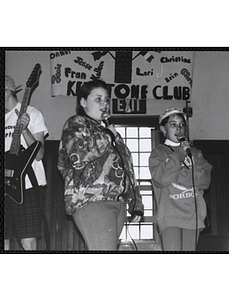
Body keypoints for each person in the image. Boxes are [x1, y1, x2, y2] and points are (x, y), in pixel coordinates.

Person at [57, 79, 144, 251]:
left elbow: (127, 170)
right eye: (98, 99)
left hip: (117, 204)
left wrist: (136, 204)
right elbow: (78, 157)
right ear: (83, 102)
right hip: (92, 201)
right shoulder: (76, 124)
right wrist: (108, 136)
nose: (104, 104)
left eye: (106, 99)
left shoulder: (111, 133)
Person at [149, 107, 212, 251]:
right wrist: (179, 155)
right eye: (173, 124)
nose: (179, 129)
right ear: (163, 129)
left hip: (193, 216)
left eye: (182, 124)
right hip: (170, 216)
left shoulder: (195, 153)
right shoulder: (158, 153)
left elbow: (205, 180)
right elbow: (161, 178)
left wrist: (177, 175)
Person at [4, 76, 48, 251]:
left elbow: (39, 155)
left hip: (26, 186)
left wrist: (25, 130)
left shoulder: (32, 113)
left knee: (28, 243)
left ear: (7, 91)